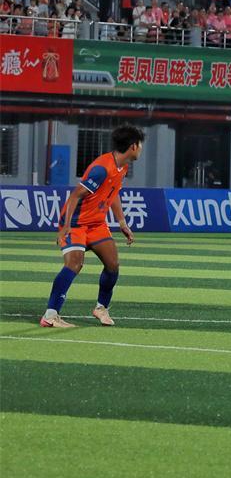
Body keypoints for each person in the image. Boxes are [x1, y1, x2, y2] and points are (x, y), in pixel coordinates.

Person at [41, 125, 145, 328]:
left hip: (96, 223)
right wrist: (65, 227)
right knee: (74, 264)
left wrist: (122, 223)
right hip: (76, 223)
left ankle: (101, 308)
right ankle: (50, 315)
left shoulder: (122, 167)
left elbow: (113, 192)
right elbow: (75, 196)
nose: (141, 148)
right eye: (140, 145)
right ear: (133, 146)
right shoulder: (101, 169)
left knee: (112, 264)